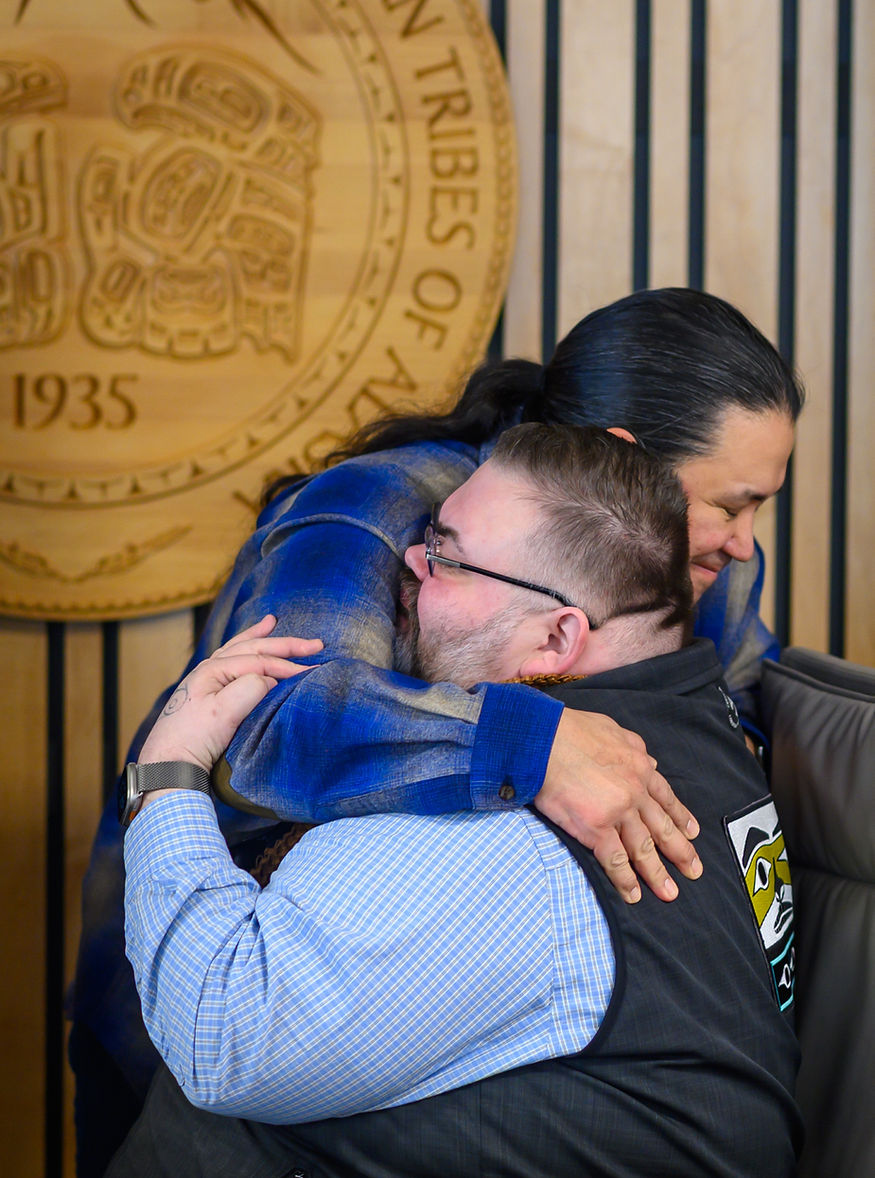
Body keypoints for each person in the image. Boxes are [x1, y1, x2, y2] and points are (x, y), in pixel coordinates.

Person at [71, 287, 803, 1174]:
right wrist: (529, 745)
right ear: (623, 466)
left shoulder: (700, 556)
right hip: (199, 946)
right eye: (730, 504)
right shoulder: (390, 505)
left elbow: (734, 702)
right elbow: (276, 721)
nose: (744, 542)